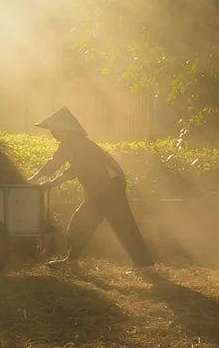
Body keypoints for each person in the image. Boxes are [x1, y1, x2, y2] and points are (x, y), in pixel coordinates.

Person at [28, 107, 156, 269]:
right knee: (81, 222)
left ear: (65, 129)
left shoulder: (82, 145)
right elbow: (52, 164)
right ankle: (72, 260)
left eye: (55, 129)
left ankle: (145, 266)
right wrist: (32, 179)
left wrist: (51, 183)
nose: (52, 133)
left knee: (122, 224)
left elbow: (75, 170)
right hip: (97, 189)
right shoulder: (66, 146)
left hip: (110, 187)